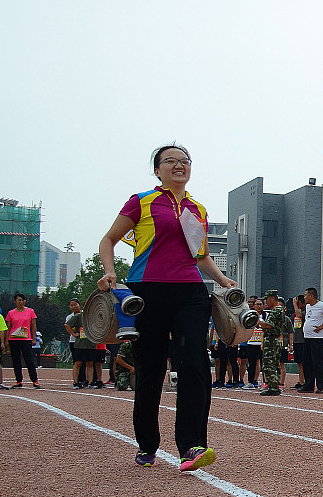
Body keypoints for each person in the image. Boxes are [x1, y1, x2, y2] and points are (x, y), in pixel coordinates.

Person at [96, 143, 237, 470]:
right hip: (147, 292)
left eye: (184, 161)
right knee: (151, 369)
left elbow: (199, 256)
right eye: (170, 161)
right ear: (157, 170)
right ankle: (147, 444)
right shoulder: (141, 202)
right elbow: (108, 240)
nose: (179, 165)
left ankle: (192, 446)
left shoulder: (198, 209)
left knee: (195, 365)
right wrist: (110, 273)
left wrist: (222, 278)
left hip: (190, 293)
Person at [300, 287, 323, 394]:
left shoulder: (321, 306)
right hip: (307, 338)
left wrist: (322, 326)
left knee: (318, 363)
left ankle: (321, 386)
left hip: (317, 339)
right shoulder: (307, 307)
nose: (304, 297)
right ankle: (308, 385)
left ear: (311, 296)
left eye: (306, 295)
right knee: (307, 363)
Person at [5, 293, 40, 388]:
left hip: (26, 339)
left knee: (29, 360)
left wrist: (34, 338)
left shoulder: (30, 311)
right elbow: (8, 327)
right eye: (19, 300)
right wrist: (7, 340)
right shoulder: (11, 313)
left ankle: (35, 380)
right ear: (15, 301)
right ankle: (19, 381)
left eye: (23, 300)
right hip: (14, 339)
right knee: (16, 361)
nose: (21, 302)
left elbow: (33, 326)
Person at [258, 290, 289, 396]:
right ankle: (274, 385)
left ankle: (273, 387)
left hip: (272, 339)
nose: (266, 302)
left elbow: (269, 325)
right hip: (273, 339)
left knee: (268, 364)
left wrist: (258, 322)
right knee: (273, 363)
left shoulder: (276, 310)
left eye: (267, 299)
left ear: (272, 298)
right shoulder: (277, 310)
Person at [65, 298, 93, 388]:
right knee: (78, 362)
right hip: (79, 343)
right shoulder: (77, 316)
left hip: (91, 343)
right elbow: (67, 325)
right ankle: (76, 382)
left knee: (90, 363)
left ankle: (89, 382)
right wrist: (74, 334)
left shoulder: (93, 316)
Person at [241, 299, 265, 388]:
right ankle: (250, 382)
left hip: (261, 344)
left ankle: (261, 381)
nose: (259, 306)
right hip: (251, 343)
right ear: (253, 306)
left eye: (261, 304)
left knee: (262, 363)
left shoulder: (266, 315)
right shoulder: (250, 316)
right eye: (257, 304)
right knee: (251, 363)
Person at [290, 294, 306, 389]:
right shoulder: (295, 314)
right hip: (297, 340)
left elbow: (300, 315)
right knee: (299, 362)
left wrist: (295, 305)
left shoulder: (306, 311)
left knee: (303, 362)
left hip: (303, 340)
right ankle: (301, 381)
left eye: (299, 304)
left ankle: (305, 381)